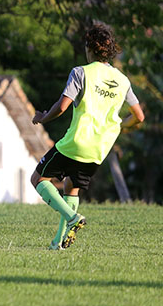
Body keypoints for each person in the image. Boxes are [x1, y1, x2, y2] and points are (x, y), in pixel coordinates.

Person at [30, 22, 143, 249]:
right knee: (71, 187)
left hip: (76, 142)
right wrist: (120, 126)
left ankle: (73, 218)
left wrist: (42, 117)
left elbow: (62, 107)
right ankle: (58, 243)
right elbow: (138, 116)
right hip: (99, 149)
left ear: (89, 48)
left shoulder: (81, 72)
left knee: (38, 179)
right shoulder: (123, 80)